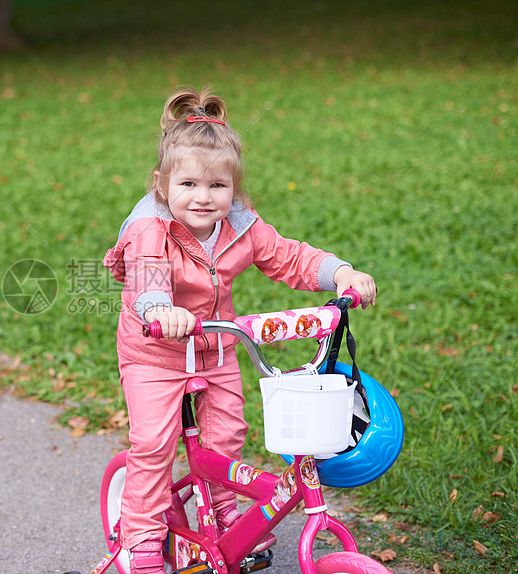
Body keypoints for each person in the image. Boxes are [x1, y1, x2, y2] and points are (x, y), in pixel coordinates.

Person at [102, 86, 377, 574]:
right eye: (188, 185)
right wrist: (161, 309)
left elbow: (289, 256)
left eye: (217, 187)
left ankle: (226, 515)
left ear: (234, 189)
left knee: (227, 437)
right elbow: (147, 277)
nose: (203, 198)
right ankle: (140, 538)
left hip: (215, 346)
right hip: (155, 354)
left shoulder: (240, 225)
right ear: (162, 185)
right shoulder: (150, 230)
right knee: (153, 445)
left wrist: (339, 273)